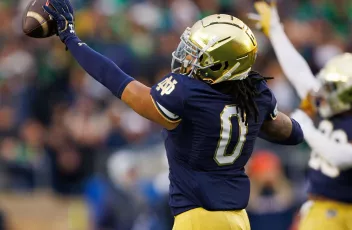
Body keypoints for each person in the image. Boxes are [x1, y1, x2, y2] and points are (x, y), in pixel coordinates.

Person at [41, 0, 304, 229]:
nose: (187, 59)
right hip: (238, 219)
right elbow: (292, 133)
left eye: (198, 56)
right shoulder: (255, 92)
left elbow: (121, 84)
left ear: (222, 65)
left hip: (199, 219)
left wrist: (71, 39)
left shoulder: (189, 93)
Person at [249, 1, 352, 230]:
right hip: (318, 208)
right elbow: (299, 74)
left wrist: (307, 128)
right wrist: (276, 30)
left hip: (337, 211)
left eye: (332, 87)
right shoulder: (336, 108)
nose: (323, 92)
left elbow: (343, 157)